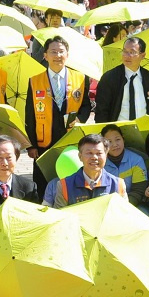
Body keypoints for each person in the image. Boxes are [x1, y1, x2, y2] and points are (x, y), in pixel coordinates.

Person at [25, 36, 93, 191]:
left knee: (72, 181)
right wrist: (31, 145)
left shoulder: (80, 78)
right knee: (43, 182)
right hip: (44, 141)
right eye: (53, 52)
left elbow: (86, 105)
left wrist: (80, 119)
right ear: (45, 55)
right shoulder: (34, 81)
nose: (57, 56)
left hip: (70, 139)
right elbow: (29, 114)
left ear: (67, 55)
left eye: (61, 51)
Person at [92, 36, 149, 122]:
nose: (127, 56)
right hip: (118, 130)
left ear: (142, 55)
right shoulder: (110, 77)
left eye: (132, 52)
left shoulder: (147, 76)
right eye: (124, 51)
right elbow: (101, 111)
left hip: (143, 128)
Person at [52, 133, 127, 208]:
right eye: (89, 153)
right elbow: (59, 217)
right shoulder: (64, 185)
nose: (94, 157)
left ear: (106, 156)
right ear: (80, 156)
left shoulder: (118, 185)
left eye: (99, 153)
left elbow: (125, 215)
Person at [100, 124, 148, 205]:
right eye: (109, 141)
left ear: (123, 139)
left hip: (133, 204)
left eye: (117, 139)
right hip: (107, 205)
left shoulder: (136, 160)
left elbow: (139, 191)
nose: (115, 145)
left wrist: (124, 207)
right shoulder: (99, 164)